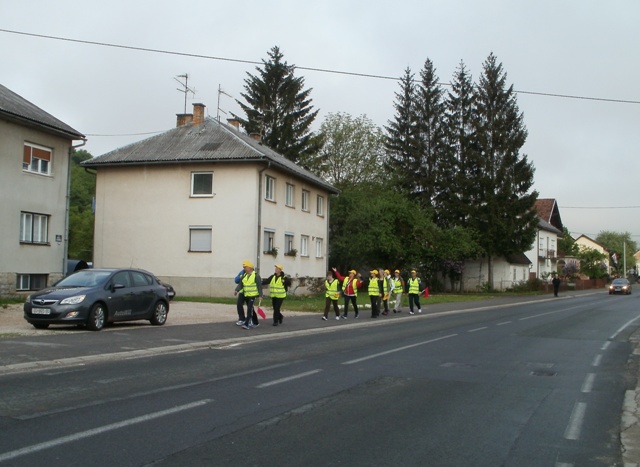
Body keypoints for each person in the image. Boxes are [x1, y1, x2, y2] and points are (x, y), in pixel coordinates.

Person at [234, 260, 263, 329]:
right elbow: (241, 284)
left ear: (250, 268)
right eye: (244, 267)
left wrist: (260, 295)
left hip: (253, 295)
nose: (244, 269)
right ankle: (255, 322)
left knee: (249, 309)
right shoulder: (244, 275)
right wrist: (236, 290)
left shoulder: (256, 276)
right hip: (246, 294)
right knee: (251, 309)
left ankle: (246, 324)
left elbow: (259, 286)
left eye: (245, 267)